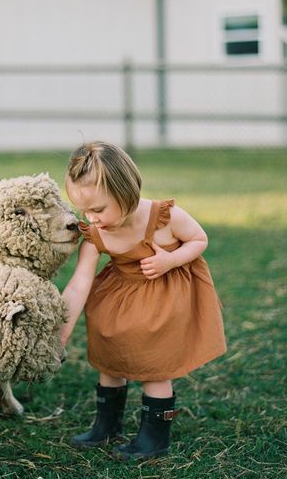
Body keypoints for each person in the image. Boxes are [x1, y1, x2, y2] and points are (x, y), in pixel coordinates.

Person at [61, 141, 226, 461]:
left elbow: (199, 239)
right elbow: (80, 282)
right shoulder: (96, 234)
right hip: (117, 302)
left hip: (161, 302)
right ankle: (106, 424)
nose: (91, 219)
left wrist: (171, 260)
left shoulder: (164, 217)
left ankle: (155, 434)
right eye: (84, 210)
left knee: (155, 368)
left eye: (98, 209)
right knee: (109, 362)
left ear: (126, 193)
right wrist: (62, 332)